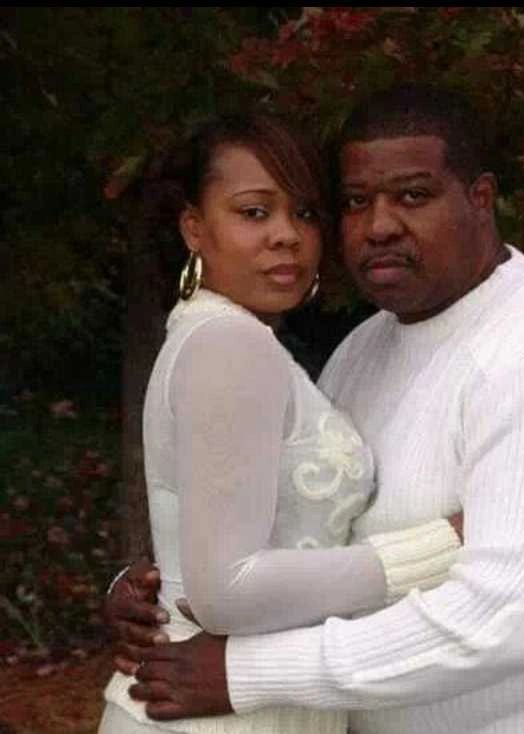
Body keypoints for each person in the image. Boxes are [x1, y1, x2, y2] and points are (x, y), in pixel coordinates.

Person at [110, 86, 524, 733]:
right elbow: (292, 525)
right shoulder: (365, 346)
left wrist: (246, 673)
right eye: (355, 202)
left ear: (480, 199)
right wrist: (161, 588)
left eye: (413, 196)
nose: (380, 226)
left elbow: (508, 617)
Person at [98, 111, 463, 734]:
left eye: (305, 213)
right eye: (254, 212)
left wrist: (137, 584)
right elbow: (226, 591)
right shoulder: (228, 345)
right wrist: (442, 547)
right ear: (194, 227)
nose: (287, 236)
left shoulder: (221, 339)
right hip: (209, 714)